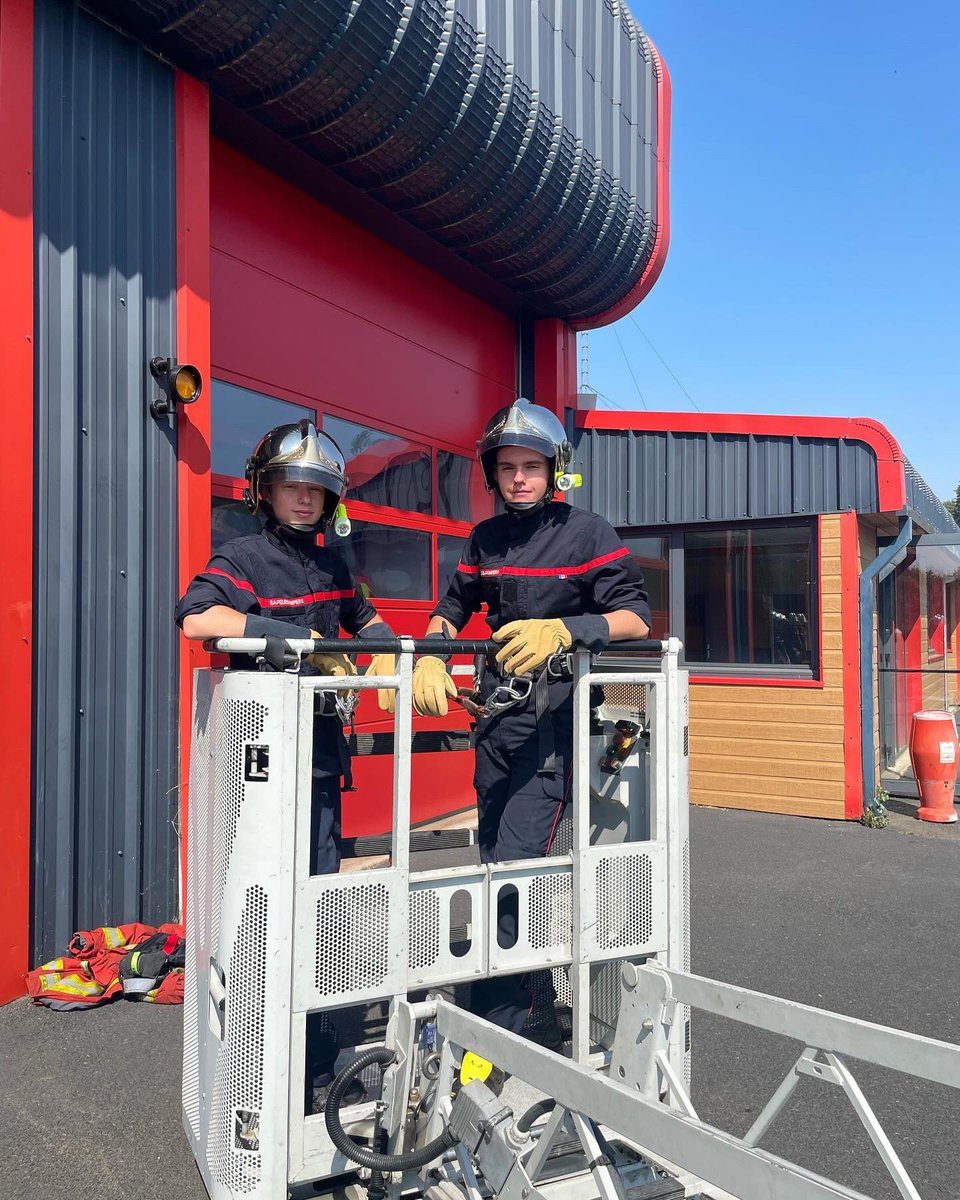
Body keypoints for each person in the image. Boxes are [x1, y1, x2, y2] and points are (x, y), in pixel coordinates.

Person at [414, 398, 651, 1045]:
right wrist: (431, 655)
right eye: (507, 467)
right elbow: (451, 607)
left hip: (552, 737)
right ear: (493, 475)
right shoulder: (484, 540)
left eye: (531, 465)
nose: (519, 478)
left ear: (555, 469)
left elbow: (635, 617)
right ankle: (529, 1007)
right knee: (493, 865)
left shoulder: (587, 533)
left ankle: (501, 1037)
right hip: (493, 729)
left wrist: (564, 630)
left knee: (514, 878)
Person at [175, 418, 396, 1112]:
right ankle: (255, 1056)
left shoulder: (334, 566)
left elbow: (364, 622)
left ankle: (317, 1059)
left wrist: (395, 650)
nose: (304, 499)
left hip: (322, 763)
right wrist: (291, 635)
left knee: (318, 904)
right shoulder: (241, 558)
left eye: (317, 490)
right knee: (258, 908)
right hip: (259, 768)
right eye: (291, 486)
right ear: (263, 491)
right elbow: (195, 620)